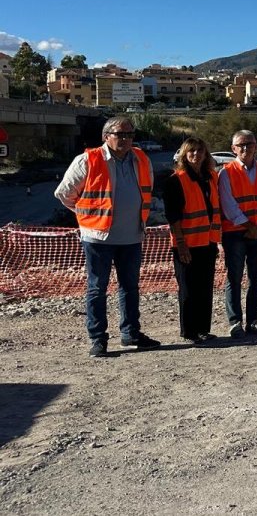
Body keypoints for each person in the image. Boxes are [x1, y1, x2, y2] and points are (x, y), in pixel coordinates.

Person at [55, 116, 161, 357]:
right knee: (96, 288)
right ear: (106, 136)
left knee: (130, 288)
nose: (125, 139)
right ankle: (98, 339)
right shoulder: (88, 160)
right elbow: (64, 193)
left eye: (129, 135)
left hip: (132, 236)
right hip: (98, 238)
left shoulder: (142, 160)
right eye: (119, 134)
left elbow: (147, 190)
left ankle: (131, 333)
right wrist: (87, 216)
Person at [164, 137, 222, 344]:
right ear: (184, 154)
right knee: (188, 290)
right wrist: (180, 244)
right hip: (186, 244)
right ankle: (189, 331)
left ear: (206, 154)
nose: (195, 154)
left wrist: (215, 242)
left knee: (205, 288)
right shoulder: (176, 180)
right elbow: (173, 217)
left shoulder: (211, 177)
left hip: (207, 242)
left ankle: (203, 329)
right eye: (191, 151)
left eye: (200, 150)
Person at [218, 130, 257, 337]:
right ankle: (235, 322)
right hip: (235, 233)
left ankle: (253, 321)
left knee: (256, 278)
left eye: (249, 144)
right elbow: (228, 204)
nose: (245, 148)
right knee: (234, 277)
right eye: (240, 145)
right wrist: (249, 226)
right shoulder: (226, 172)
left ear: (255, 146)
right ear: (233, 149)